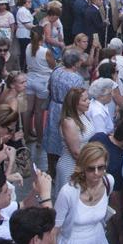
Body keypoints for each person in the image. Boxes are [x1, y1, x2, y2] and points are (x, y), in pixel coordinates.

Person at [44, 49, 86, 180]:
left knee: (52, 138)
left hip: (54, 106)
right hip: (67, 109)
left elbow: (49, 87)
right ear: (75, 63)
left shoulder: (56, 71)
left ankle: (51, 169)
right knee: (65, 138)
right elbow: (78, 97)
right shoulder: (77, 78)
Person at [55, 87, 93, 193]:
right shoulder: (69, 122)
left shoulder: (83, 115)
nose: (88, 102)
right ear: (75, 104)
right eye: (84, 100)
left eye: (88, 98)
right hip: (71, 166)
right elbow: (75, 152)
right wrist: (91, 164)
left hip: (83, 162)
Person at [23, 25, 55, 144]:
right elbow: (53, 65)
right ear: (42, 36)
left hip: (30, 79)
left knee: (28, 110)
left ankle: (26, 135)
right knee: (38, 112)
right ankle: (40, 139)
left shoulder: (28, 47)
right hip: (43, 82)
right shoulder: (45, 51)